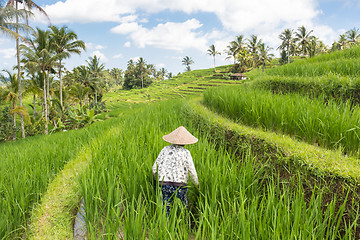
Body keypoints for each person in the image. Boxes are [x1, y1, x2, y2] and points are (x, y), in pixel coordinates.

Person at [152, 126, 199, 217]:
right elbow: (192, 171)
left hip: (164, 184)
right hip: (180, 186)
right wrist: (196, 185)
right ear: (185, 142)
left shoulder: (164, 150)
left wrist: (156, 180)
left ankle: (165, 225)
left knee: (165, 207)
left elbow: (154, 168)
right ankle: (183, 225)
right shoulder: (186, 153)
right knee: (182, 208)